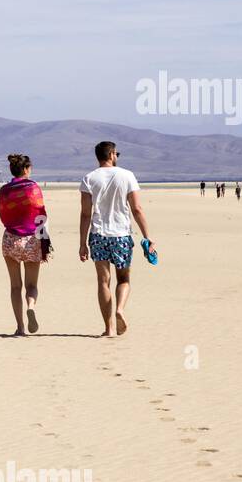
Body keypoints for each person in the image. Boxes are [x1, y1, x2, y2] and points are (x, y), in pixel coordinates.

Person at [79, 141, 154, 337]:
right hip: (121, 235)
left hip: (98, 235)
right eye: (116, 153)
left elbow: (85, 214)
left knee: (103, 282)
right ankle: (120, 309)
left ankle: (109, 328)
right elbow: (137, 209)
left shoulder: (89, 178)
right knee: (123, 279)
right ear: (111, 154)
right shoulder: (127, 175)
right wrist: (148, 237)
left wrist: (82, 244)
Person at [0, 153, 49, 336]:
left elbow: (3, 216)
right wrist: (45, 242)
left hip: (10, 239)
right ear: (27, 169)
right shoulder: (33, 188)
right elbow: (41, 214)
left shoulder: (4, 190)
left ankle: (20, 327)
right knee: (32, 285)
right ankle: (31, 306)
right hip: (32, 239)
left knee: (15, 286)